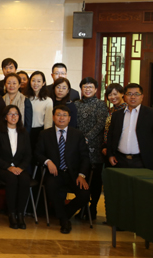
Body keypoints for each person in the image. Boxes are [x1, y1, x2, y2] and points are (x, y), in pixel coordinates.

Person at [35, 105, 90, 234]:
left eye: (64, 115)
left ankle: (63, 214)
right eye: (58, 115)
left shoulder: (77, 134)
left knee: (85, 194)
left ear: (69, 118)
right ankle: (64, 221)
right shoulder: (45, 134)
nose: (61, 118)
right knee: (50, 187)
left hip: (73, 174)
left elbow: (85, 157)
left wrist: (82, 175)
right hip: (55, 173)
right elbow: (37, 153)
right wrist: (48, 161)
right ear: (53, 117)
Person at [0, 105, 32, 229]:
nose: (13, 116)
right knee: (12, 179)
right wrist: (9, 167)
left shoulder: (24, 133)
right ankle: (12, 214)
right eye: (10, 114)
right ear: (5, 117)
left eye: (16, 114)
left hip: (20, 168)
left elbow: (28, 155)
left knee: (25, 179)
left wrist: (21, 167)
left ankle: (20, 214)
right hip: (2, 168)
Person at [74, 77, 107, 219]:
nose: (87, 89)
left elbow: (101, 124)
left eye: (90, 87)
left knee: (95, 181)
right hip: (78, 147)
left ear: (96, 89)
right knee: (82, 178)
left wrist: (87, 137)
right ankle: (83, 207)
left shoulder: (100, 104)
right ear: (81, 89)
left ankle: (93, 208)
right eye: (85, 87)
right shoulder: (76, 104)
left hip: (95, 147)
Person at [108, 83, 153, 169]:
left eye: (136, 94)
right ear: (124, 96)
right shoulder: (117, 115)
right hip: (119, 160)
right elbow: (110, 135)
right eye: (129, 94)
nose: (133, 97)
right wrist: (110, 154)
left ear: (142, 96)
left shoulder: (150, 114)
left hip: (142, 160)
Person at [25, 71, 53, 150]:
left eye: (39, 81)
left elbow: (48, 122)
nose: (35, 83)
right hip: (25, 131)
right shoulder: (24, 98)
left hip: (39, 132)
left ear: (43, 83)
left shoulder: (47, 100)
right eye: (33, 80)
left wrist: (46, 136)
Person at [102, 83, 126, 158]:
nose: (112, 97)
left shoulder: (128, 110)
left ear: (122, 94)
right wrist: (105, 146)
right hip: (108, 147)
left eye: (115, 94)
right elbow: (106, 130)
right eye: (110, 95)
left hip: (121, 148)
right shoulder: (110, 110)